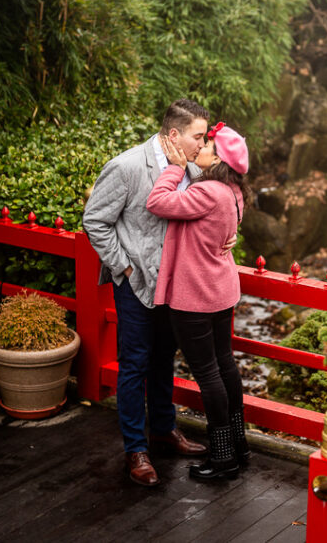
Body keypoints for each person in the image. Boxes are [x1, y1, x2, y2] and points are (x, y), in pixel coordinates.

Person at [83, 99, 223, 487]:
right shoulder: (127, 167)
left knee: (165, 358)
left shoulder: (194, 169)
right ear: (174, 134)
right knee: (134, 364)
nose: (203, 143)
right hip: (137, 284)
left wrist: (223, 239)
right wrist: (123, 268)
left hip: (177, 285)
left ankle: (164, 428)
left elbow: (208, 211)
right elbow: (95, 221)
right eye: (199, 136)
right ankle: (136, 449)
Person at [146, 121, 250, 481]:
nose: (201, 148)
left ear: (219, 159)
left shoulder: (209, 192)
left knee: (207, 374)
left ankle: (222, 458)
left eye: (207, 145)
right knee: (225, 365)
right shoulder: (234, 191)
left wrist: (175, 169)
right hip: (221, 290)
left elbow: (157, 202)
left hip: (195, 296)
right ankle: (238, 443)